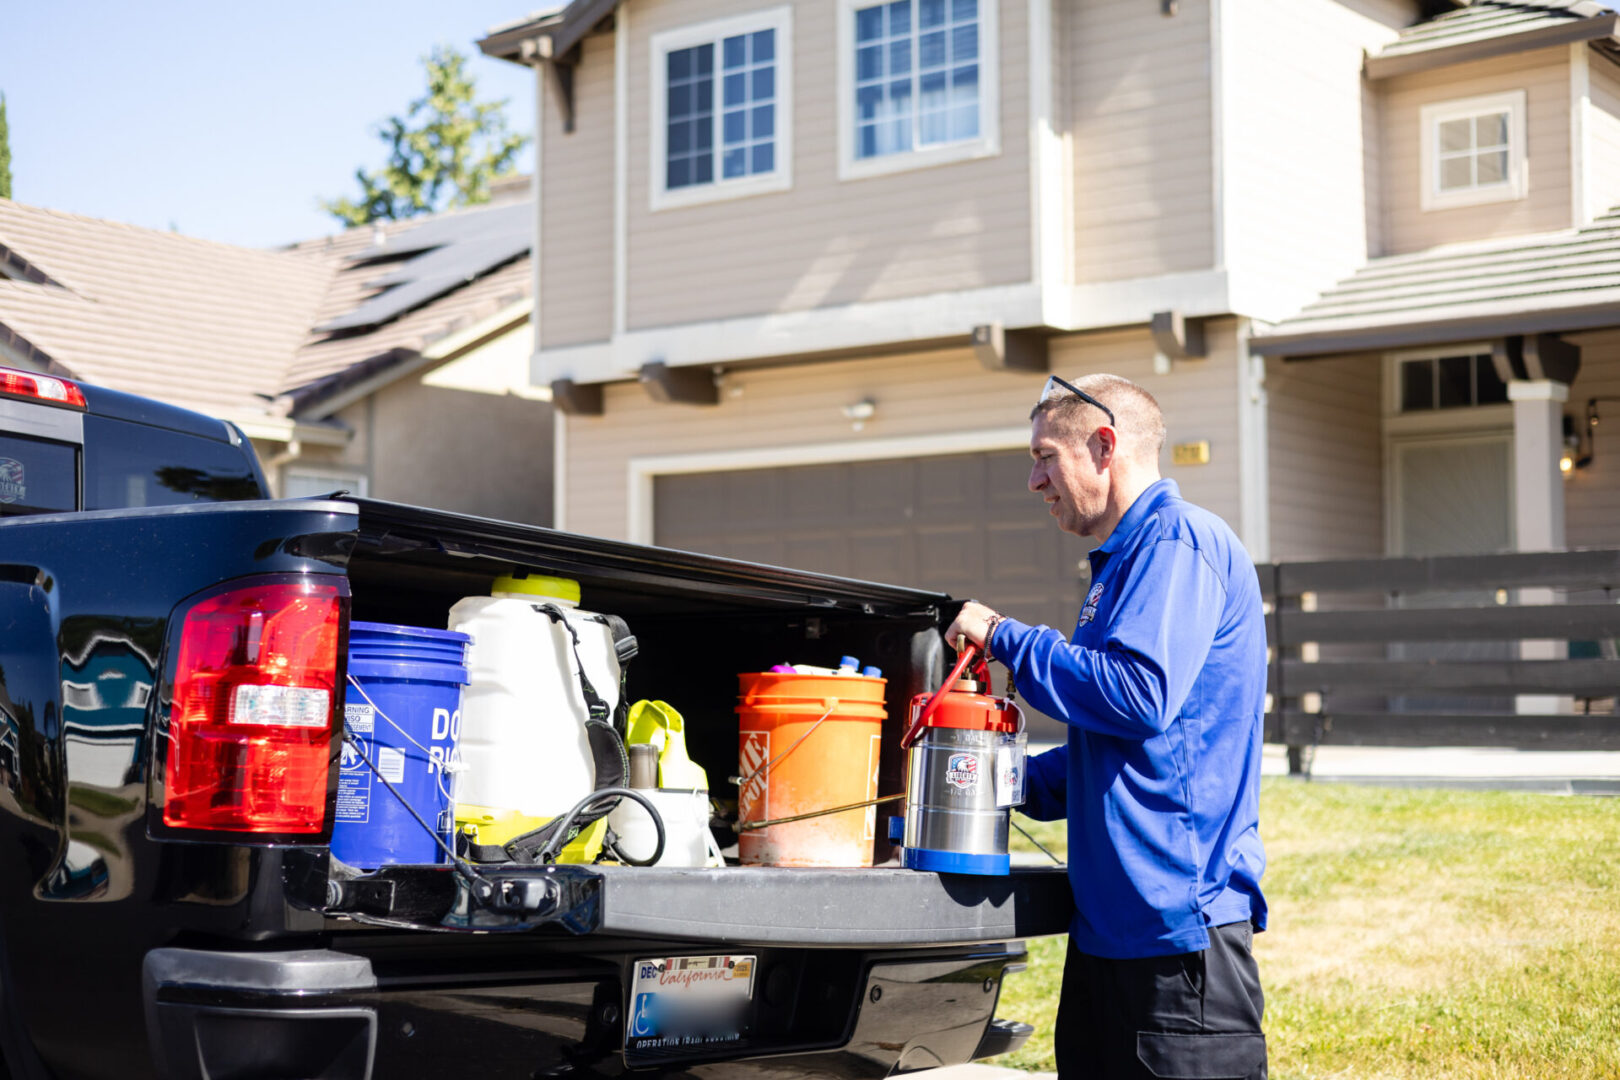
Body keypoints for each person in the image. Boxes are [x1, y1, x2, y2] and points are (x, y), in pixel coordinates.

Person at [945, 373, 1268, 1080]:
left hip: (1178, 940)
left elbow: (1138, 696)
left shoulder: (1178, 544)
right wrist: (982, 777)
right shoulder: (1122, 566)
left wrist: (1005, 636)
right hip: (1110, 938)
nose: (1033, 480)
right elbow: (1112, 744)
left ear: (1103, 446)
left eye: (1044, 456)